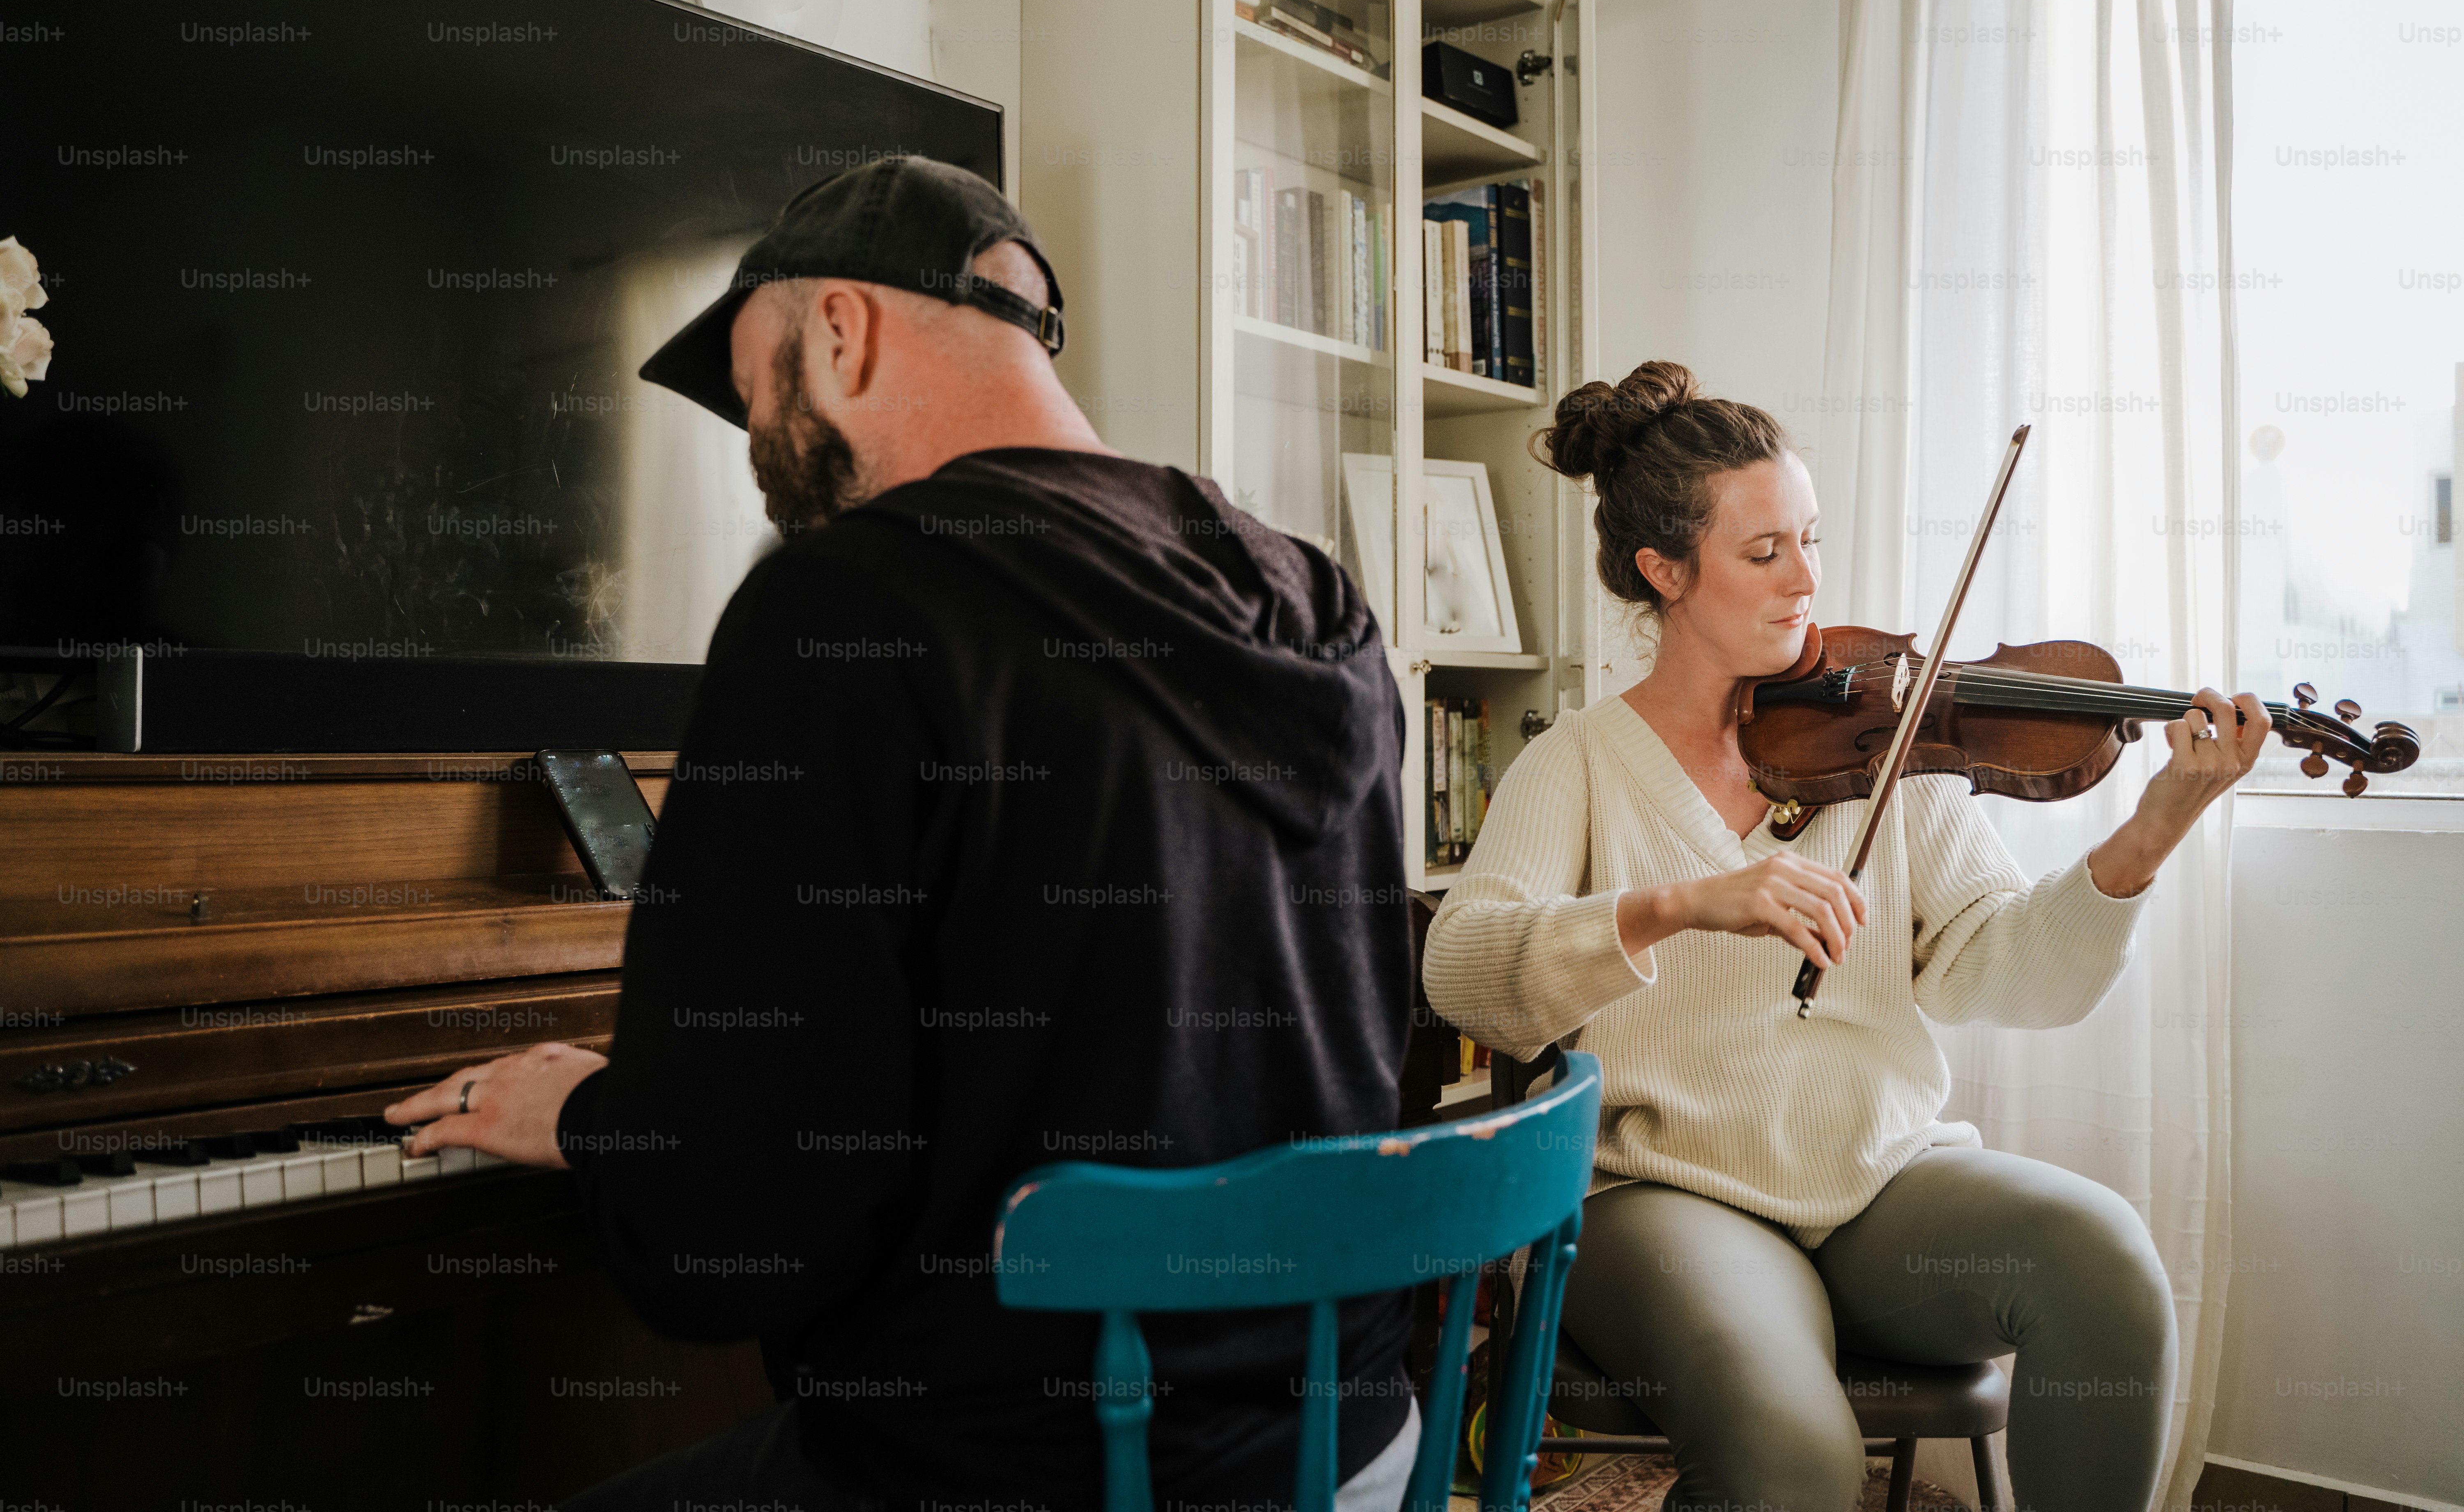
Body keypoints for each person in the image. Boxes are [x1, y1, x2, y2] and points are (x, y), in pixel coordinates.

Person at [384, 157, 1421, 1510]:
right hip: (1354, 1441)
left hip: (1043, 1469)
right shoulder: (1302, 586)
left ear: (841, 332)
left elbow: (737, 1243)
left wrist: (590, 1112)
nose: (759, 452)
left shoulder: (840, 608)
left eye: (757, 388)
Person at [1423, 361, 2269, 1512]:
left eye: (1811, 541)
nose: (1808, 582)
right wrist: (1678, 903)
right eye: (1764, 553)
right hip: (1666, 1197)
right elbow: (1465, 973)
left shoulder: (1892, 738)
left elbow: (2005, 971)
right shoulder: (1576, 762)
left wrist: (2156, 827)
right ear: (1662, 571)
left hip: (1878, 1185)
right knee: (1798, 1458)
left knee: (2105, 1261)